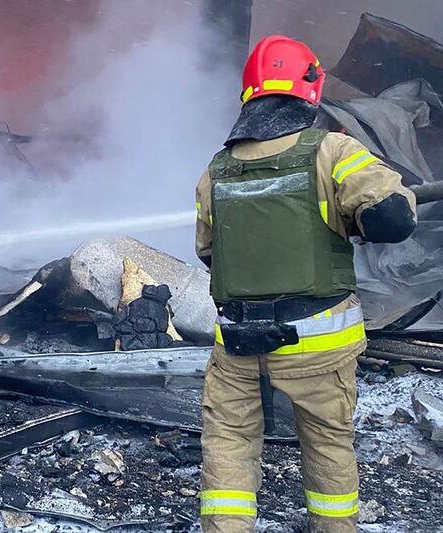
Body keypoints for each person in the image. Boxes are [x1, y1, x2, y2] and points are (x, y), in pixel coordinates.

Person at [194, 35, 416, 532]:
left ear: (249, 93)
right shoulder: (333, 150)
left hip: (237, 342)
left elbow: (210, 254)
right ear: (309, 87)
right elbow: (394, 220)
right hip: (318, 341)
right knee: (326, 443)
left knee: (228, 443)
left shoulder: (217, 169)